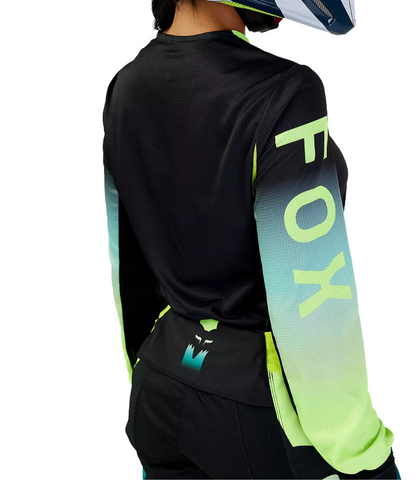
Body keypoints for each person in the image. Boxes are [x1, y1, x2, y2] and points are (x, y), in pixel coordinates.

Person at [102, 0, 401, 478]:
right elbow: (314, 297)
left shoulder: (125, 86)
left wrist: (144, 369)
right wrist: (360, 450)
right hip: (253, 407)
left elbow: (129, 267)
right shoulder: (284, 93)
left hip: (158, 388)